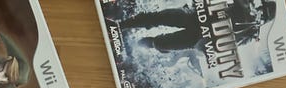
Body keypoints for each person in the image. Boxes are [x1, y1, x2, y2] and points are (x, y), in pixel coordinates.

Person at [118, 1, 277, 53]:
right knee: (159, 18)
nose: (260, 11)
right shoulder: (247, 5)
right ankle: (122, 25)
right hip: (196, 17)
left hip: (199, 37)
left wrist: (208, 47)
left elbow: (231, 45)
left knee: (161, 43)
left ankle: (133, 45)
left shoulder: (252, 33)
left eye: (264, 13)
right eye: (262, 8)